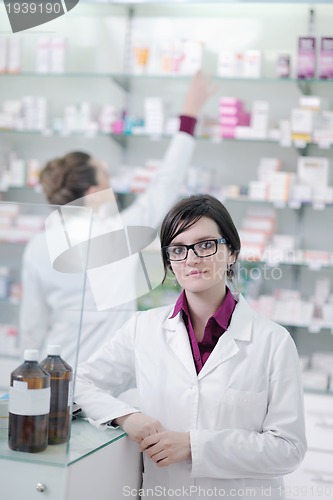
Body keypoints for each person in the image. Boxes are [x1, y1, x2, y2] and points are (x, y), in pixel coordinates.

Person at [74, 193, 307, 500]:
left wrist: (193, 447)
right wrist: (126, 416)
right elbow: (78, 383)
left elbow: (288, 450)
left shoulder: (273, 341)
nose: (192, 258)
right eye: (178, 249)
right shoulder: (143, 328)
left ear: (232, 252)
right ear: (169, 262)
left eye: (206, 244)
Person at [19, 71, 214, 366]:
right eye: (106, 177)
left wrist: (30, 376)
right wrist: (189, 115)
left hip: (54, 371)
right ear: (92, 191)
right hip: (105, 377)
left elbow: (32, 324)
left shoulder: (37, 245)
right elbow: (166, 182)